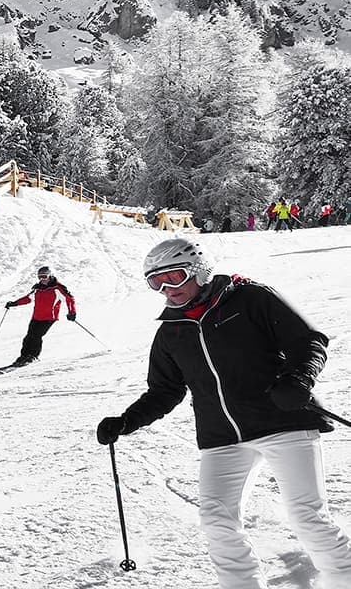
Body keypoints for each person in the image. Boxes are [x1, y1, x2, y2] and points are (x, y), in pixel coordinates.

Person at [96, 238, 351, 589]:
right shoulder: (171, 331)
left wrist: (298, 380)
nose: (167, 289)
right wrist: (126, 420)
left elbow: (308, 341)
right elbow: (165, 390)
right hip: (222, 438)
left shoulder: (251, 299)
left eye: (174, 277)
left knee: (307, 517)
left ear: (199, 271)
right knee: (217, 521)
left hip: (282, 421)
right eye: (156, 282)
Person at [3, 265, 76, 367]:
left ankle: (33, 356)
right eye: (40, 277)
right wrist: (14, 303)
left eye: (44, 277)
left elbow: (69, 299)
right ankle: (23, 357)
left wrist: (72, 312)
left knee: (36, 336)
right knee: (28, 337)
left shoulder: (57, 288)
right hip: (36, 317)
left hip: (49, 317)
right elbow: (28, 299)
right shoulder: (38, 288)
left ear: (50, 276)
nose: (42, 279)